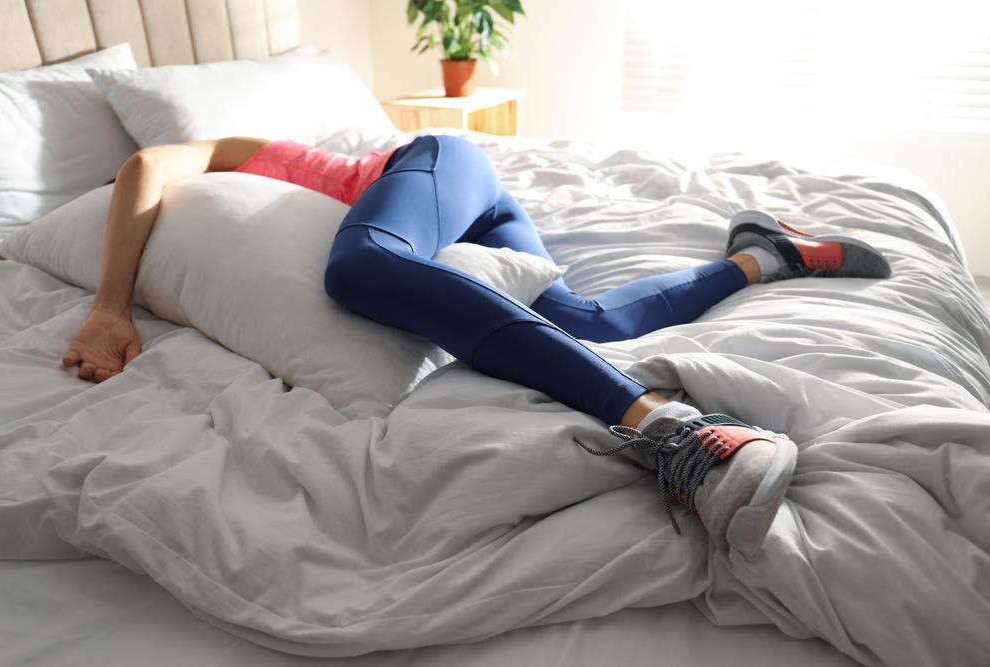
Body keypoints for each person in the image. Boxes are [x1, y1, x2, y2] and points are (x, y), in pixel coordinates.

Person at [62, 134, 891, 558]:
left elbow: (142, 165)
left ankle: (667, 424)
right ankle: (762, 251)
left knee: (361, 268)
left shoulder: (213, 152)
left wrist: (109, 303)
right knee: (586, 323)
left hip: (431, 166)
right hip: (471, 207)